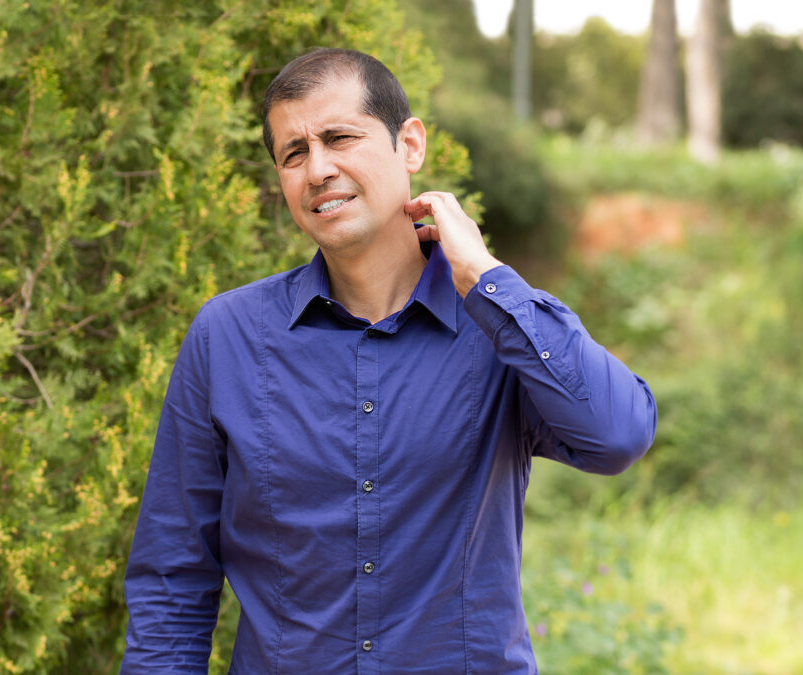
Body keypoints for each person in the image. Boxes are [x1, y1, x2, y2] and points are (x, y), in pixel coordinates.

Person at [120, 48, 656, 673]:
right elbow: (172, 577)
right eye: (294, 153)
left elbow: (618, 436)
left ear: (410, 146)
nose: (317, 168)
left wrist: (485, 275)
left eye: (339, 137)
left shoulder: (500, 328)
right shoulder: (228, 336)